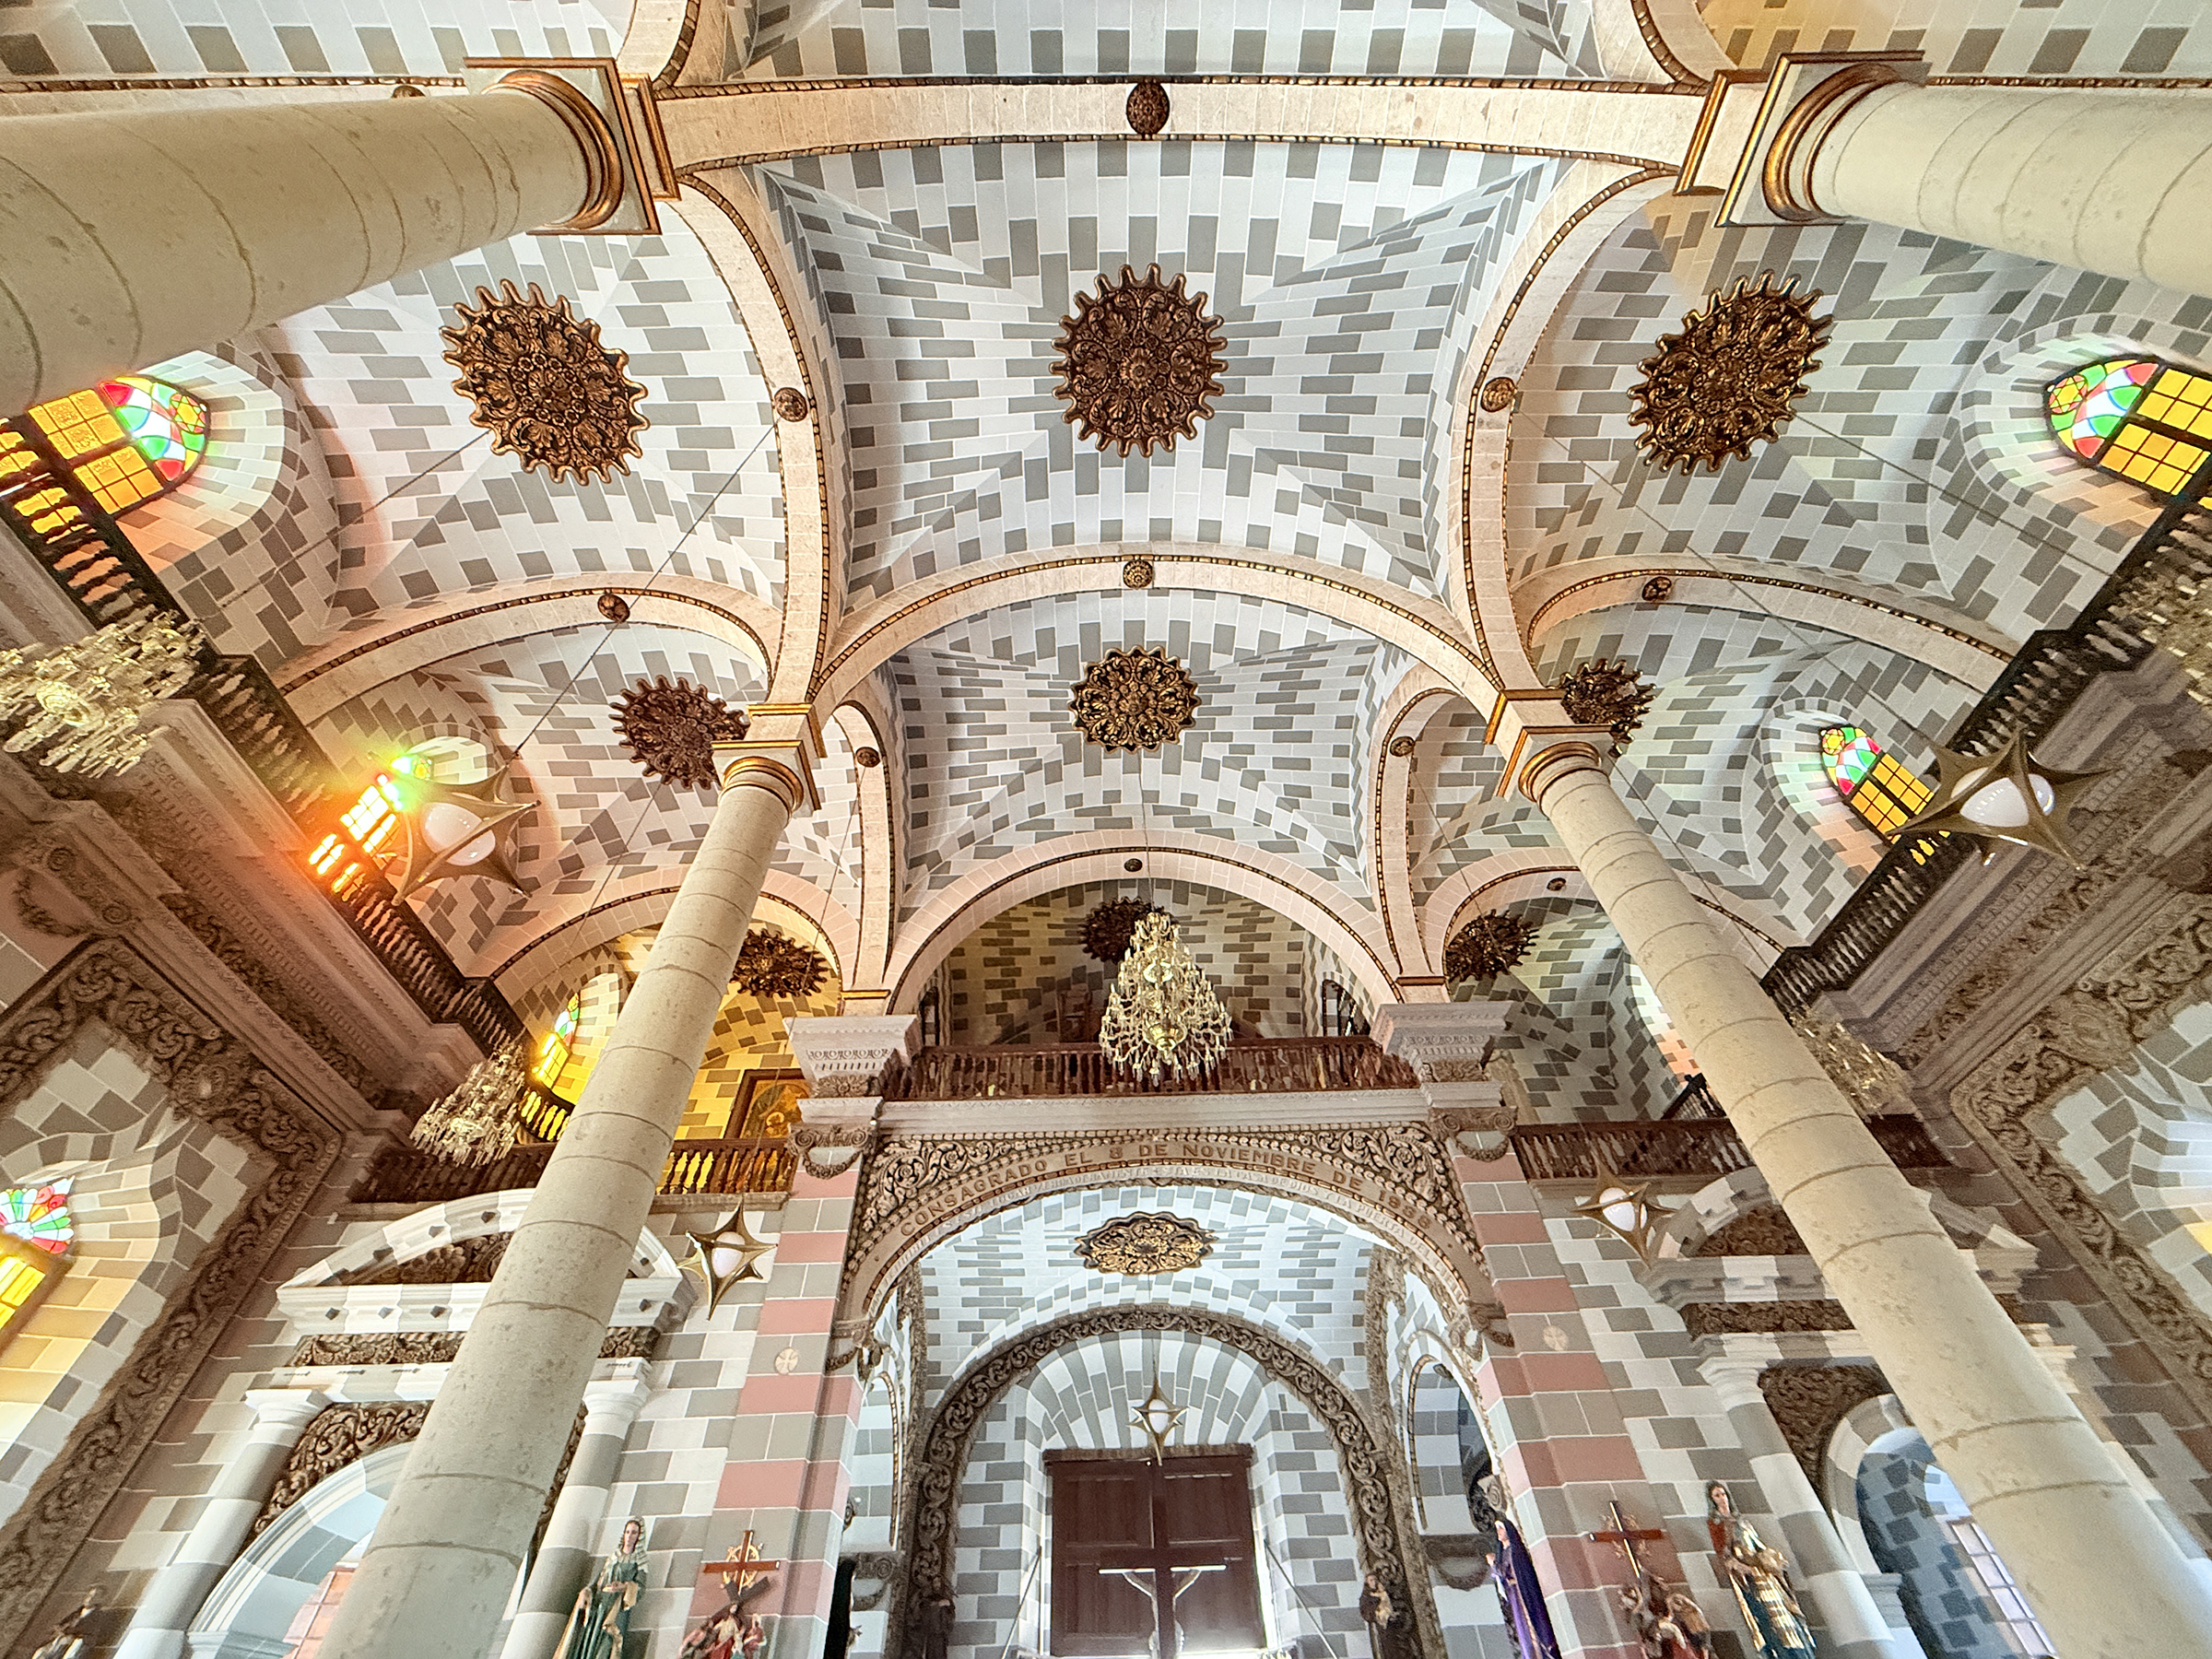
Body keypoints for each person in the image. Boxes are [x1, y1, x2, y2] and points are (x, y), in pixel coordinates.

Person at [1704, 1484, 1815, 1659]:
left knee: (1786, 1610)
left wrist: (1775, 1560)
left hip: (1763, 1571)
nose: (1722, 1498)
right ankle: (1782, 1652)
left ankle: (1801, 1650)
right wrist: (1740, 1566)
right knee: (1767, 1616)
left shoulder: (1743, 1521)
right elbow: (1723, 1553)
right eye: (1717, 1495)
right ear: (1712, 1500)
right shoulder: (1716, 1524)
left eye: (1723, 1493)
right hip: (1748, 1576)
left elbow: (1758, 1545)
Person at [556, 1517, 649, 1659]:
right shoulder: (613, 1557)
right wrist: (586, 1591)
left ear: (639, 1537)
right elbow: (597, 1581)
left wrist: (623, 1586)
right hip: (599, 1603)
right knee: (588, 1639)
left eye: (634, 1533)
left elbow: (640, 1588)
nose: (629, 1536)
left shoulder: (639, 1561)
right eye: (627, 1532)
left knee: (607, 1641)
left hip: (615, 1606)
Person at [1488, 1516, 1563, 1659]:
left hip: (1522, 1594)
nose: (1498, 1532)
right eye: (1497, 1529)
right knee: (1522, 1629)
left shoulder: (1514, 1551)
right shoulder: (1504, 1552)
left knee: (1530, 1625)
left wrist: (1493, 1563)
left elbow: (1506, 1571)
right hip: (1514, 1595)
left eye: (1501, 1528)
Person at [28, 1588, 100, 1659]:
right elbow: (63, 1625)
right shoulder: (77, 1615)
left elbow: (81, 1633)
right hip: (64, 1639)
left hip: (71, 1639)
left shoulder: (91, 1619)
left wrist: (65, 1631)